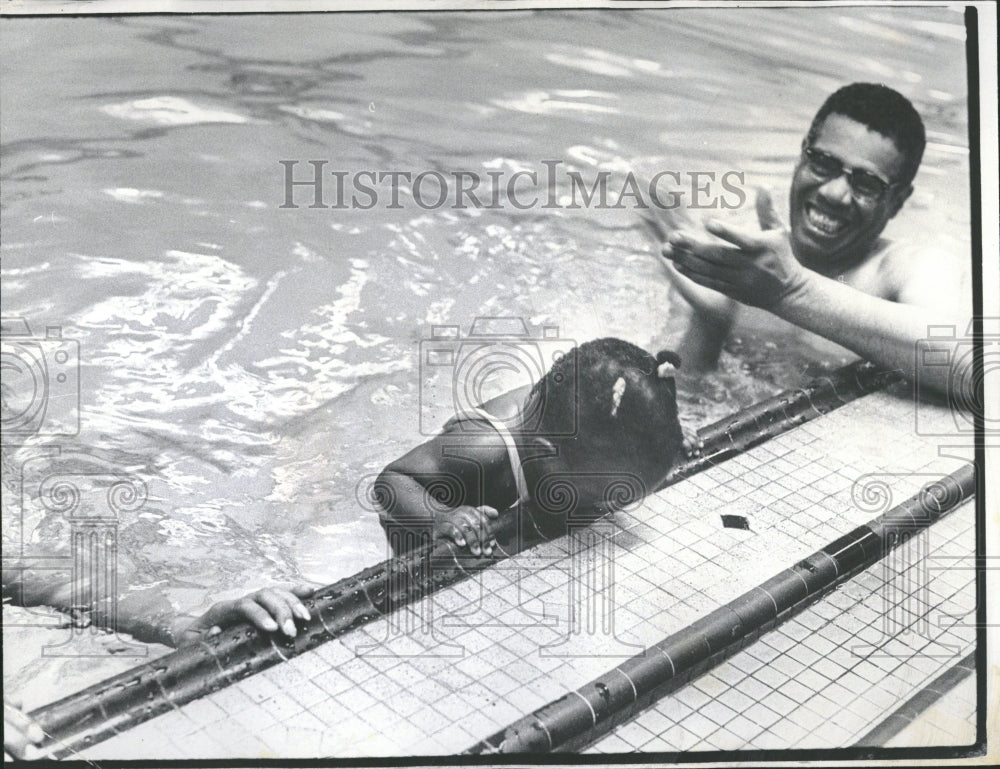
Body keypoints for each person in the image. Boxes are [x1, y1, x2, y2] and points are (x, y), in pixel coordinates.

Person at [650, 82, 970, 397]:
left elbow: (971, 367)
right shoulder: (746, 263)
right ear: (801, 157)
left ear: (898, 200)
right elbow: (686, 394)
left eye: (867, 184)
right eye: (824, 164)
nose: (834, 194)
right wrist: (711, 320)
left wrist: (792, 292)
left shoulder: (909, 267)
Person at [374, 338, 689, 556]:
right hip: (421, 518)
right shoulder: (484, 449)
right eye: (598, 499)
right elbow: (392, 480)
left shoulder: (574, 425)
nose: (605, 509)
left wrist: (666, 439)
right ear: (544, 452)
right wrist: (439, 518)